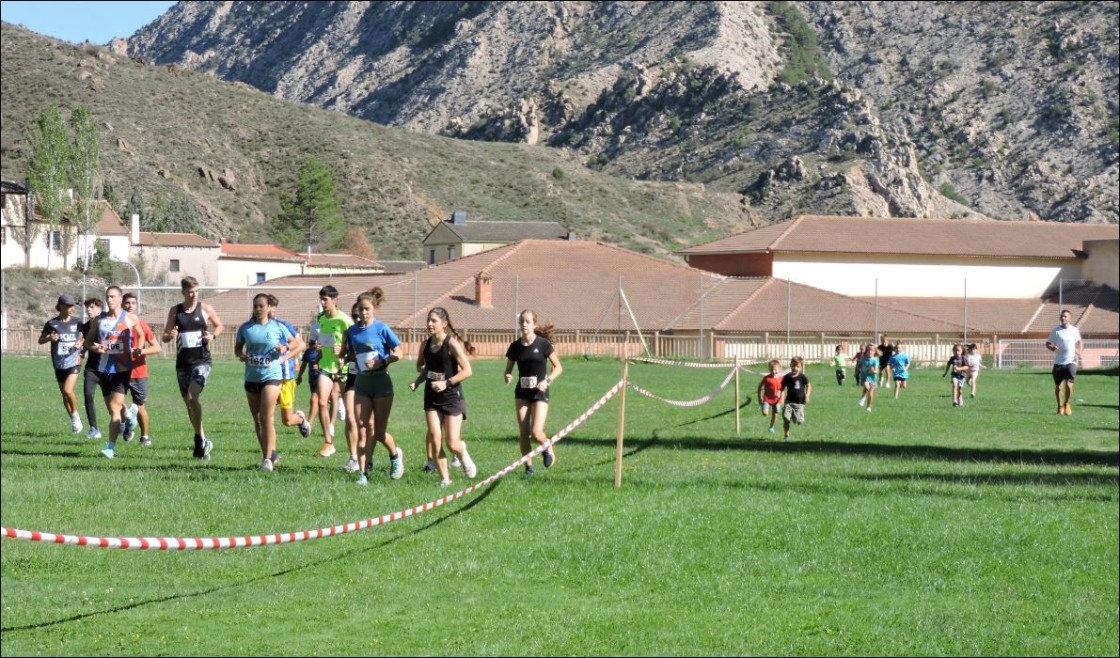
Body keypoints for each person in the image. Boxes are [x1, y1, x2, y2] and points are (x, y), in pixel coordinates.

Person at [342, 288, 405, 485]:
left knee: (378, 432)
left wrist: (381, 362)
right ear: (357, 311)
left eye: (367, 309)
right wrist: (343, 355)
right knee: (362, 428)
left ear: (374, 309)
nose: (364, 312)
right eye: (361, 309)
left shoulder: (382, 329)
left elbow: (399, 352)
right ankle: (363, 473)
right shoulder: (351, 332)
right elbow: (349, 356)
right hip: (362, 383)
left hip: (381, 383)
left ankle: (395, 455)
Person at [411, 307, 477, 487]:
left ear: (444, 324)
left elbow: (468, 371)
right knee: (434, 436)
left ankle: (462, 453)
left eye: (434, 321)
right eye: (428, 320)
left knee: (452, 442)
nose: (429, 324)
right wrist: (420, 379)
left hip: (451, 396)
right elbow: (420, 366)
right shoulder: (425, 345)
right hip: (431, 396)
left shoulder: (452, 344)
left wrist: (445, 383)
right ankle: (445, 479)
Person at [162, 276, 224, 460]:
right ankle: (203, 439)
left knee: (192, 396)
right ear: (183, 292)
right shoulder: (176, 311)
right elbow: (165, 336)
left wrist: (212, 336)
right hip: (182, 365)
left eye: (196, 291)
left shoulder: (205, 309)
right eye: (190, 291)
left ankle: (198, 439)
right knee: (189, 405)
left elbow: (219, 325)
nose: (194, 294)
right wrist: (169, 335)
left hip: (202, 361)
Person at [235, 293, 296, 471]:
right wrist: (241, 355)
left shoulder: (278, 326)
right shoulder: (245, 328)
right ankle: (268, 455)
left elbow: (295, 342)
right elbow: (238, 348)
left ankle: (268, 459)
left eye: (261, 306)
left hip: (272, 375)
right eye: (255, 306)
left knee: (265, 416)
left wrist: (285, 348)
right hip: (252, 376)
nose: (258, 309)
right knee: (257, 420)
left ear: (269, 307)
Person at [85, 285, 145, 459]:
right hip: (102, 369)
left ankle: (110, 448)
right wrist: (96, 347)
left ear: (120, 299)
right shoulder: (98, 320)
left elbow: (140, 336)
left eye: (112, 297)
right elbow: (89, 342)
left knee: (114, 407)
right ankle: (130, 417)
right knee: (114, 410)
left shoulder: (131, 318)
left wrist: (137, 349)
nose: (109, 300)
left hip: (122, 369)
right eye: (107, 297)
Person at [503, 309, 563, 475]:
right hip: (522, 393)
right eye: (521, 322)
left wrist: (547, 381)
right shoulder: (515, 347)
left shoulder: (543, 344)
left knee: (536, 432)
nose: (524, 325)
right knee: (523, 433)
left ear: (534, 325)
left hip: (539, 392)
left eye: (527, 322)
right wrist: (507, 376)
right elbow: (508, 370)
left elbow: (558, 367)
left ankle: (546, 445)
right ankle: (528, 467)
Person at [311, 285, 352, 458]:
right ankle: (329, 442)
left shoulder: (345, 320)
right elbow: (319, 341)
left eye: (325, 299)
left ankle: (356, 449)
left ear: (334, 300)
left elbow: (355, 343)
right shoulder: (321, 319)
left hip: (344, 367)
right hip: (327, 366)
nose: (322, 302)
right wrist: (318, 351)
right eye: (321, 299)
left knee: (351, 410)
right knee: (321, 402)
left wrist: (343, 350)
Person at [268, 294, 311, 440]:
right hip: (268, 376)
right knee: (266, 415)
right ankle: (270, 449)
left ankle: (300, 419)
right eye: (268, 310)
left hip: (286, 377)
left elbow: (302, 345)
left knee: (287, 420)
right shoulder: (258, 328)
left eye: (273, 311)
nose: (270, 314)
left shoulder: (283, 325)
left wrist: (285, 354)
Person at [39, 294, 84, 434]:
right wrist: (49, 338)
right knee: (64, 395)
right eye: (69, 306)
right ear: (61, 306)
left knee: (68, 390)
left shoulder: (78, 322)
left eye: (73, 306)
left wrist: (80, 342)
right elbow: (40, 340)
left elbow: (86, 336)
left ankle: (76, 416)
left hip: (74, 361)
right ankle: (73, 420)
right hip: (59, 364)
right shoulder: (52, 323)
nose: (72, 308)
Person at [121, 292, 162, 446]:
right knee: (118, 402)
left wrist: (140, 351)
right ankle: (129, 421)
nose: (130, 306)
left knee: (139, 406)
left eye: (133, 303)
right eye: (127, 303)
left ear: (137, 305)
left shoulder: (142, 325)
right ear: (122, 304)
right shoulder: (117, 324)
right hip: (119, 369)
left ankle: (145, 437)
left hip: (139, 372)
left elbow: (157, 347)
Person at [1046, 309, 1084, 416]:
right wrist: (1052, 347)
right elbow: (1048, 343)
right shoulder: (1056, 331)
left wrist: (1079, 352)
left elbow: (1080, 341)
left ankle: (1067, 403)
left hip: (1071, 361)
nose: (1063, 318)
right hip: (1058, 362)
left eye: (1065, 316)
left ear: (1070, 318)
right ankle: (1060, 406)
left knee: (1069, 385)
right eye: (1062, 316)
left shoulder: (1074, 330)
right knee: (1058, 386)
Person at [78, 298, 104, 439]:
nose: (89, 309)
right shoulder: (85, 326)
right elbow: (85, 345)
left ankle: (123, 421)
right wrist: (81, 350)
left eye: (92, 307)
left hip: (108, 368)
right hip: (92, 368)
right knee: (88, 395)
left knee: (113, 401)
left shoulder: (108, 323)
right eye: (87, 307)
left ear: (100, 309)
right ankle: (93, 428)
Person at [779, 356, 811, 441]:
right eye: (793, 366)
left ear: (801, 367)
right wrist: (781, 399)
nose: (795, 368)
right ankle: (786, 436)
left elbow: (808, 385)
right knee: (786, 418)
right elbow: (782, 388)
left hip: (799, 403)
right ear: (790, 365)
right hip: (788, 402)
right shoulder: (787, 377)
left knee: (799, 421)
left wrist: (807, 396)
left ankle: (794, 415)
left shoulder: (802, 377)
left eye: (797, 367)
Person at [297, 337, 323, 431]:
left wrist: (320, 366)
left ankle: (308, 424)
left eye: (314, 343)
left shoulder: (325, 351)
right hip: (312, 379)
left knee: (314, 399)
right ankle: (326, 427)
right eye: (311, 343)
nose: (312, 345)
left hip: (323, 379)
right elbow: (303, 365)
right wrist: (299, 376)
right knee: (317, 402)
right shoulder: (309, 352)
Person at [755, 359, 783, 435]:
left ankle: (771, 427)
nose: (773, 371)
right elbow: (760, 387)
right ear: (769, 369)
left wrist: (781, 398)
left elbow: (782, 389)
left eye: (775, 369)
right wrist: (759, 398)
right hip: (767, 399)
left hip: (777, 400)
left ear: (779, 369)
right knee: (765, 413)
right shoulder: (767, 378)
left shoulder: (781, 379)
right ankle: (765, 407)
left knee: (776, 414)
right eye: (771, 370)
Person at [857, 343, 878, 412]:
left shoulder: (875, 360)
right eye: (868, 350)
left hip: (873, 379)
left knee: (871, 394)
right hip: (864, 377)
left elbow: (876, 371)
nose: (870, 352)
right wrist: (857, 371)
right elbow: (858, 365)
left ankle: (868, 407)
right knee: (867, 387)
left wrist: (873, 371)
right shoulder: (863, 358)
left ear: (874, 351)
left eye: (871, 350)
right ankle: (863, 398)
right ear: (866, 351)